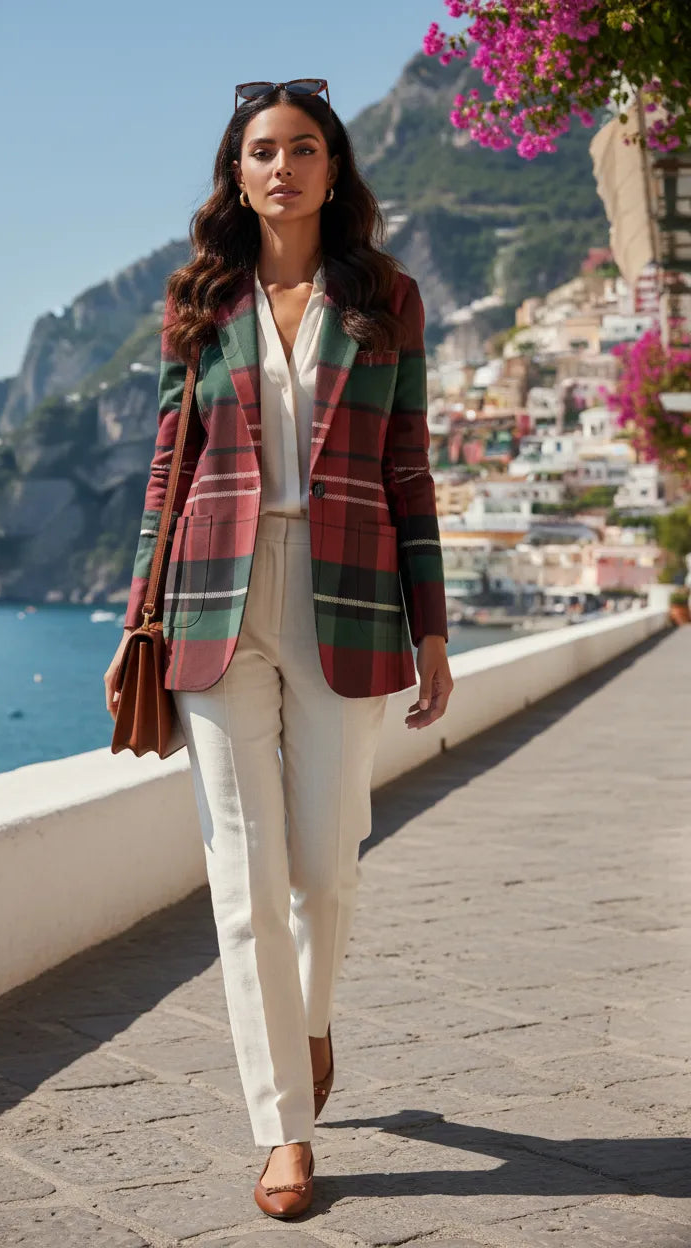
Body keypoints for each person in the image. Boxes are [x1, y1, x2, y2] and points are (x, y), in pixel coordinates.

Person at [104, 78, 453, 1220]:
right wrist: (136, 618)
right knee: (245, 882)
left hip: (345, 594)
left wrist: (434, 626)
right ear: (237, 173)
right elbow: (168, 466)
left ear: (333, 170)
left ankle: (310, 1025)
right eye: (263, 150)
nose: (282, 166)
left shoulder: (385, 299)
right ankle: (283, 1133)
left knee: (323, 866)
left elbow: (408, 470)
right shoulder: (198, 299)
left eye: (304, 148)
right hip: (213, 596)